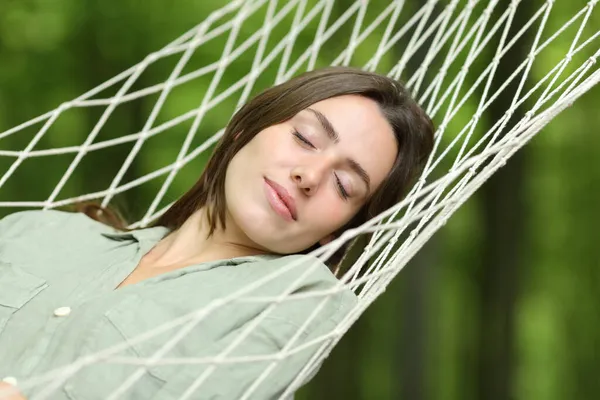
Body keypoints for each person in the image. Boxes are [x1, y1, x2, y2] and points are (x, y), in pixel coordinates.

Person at [0, 66, 434, 399]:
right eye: (305, 138)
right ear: (245, 130)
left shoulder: (287, 307)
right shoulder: (38, 231)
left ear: (338, 232)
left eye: (344, 186)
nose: (309, 174)